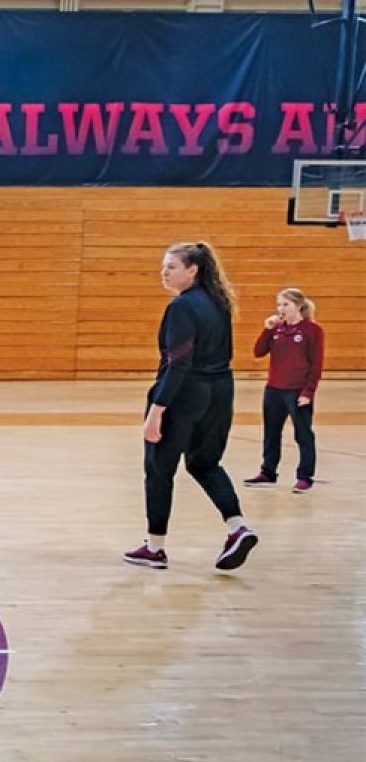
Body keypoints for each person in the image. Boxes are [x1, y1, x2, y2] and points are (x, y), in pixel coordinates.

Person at [124, 242, 257, 571]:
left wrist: (157, 410)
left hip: (186, 394)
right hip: (220, 392)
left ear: (192, 270)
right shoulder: (218, 302)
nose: (163, 273)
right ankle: (237, 527)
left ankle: (155, 548)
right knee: (204, 463)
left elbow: (179, 363)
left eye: (171, 267)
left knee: (158, 470)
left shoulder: (182, 307)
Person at [246, 288, 323, 493]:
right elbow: (258, 351)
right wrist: (268, 329)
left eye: (285, 305)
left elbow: (316, 365)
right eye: (279, 305)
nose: (281, 309)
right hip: (274, 389)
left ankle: (305, 476)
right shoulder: (277, 329)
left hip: (297, 390)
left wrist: (309, 392)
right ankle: (268, 471)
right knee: (271, 433)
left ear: (298, 306)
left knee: (303, 434)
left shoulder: (312, 330)